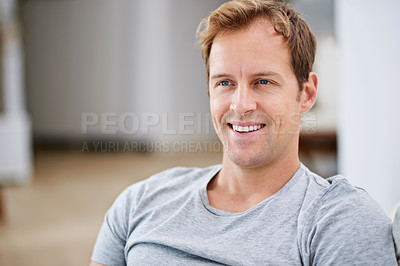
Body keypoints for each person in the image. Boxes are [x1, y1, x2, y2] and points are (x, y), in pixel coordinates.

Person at [90, 0, 397, 265]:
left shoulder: (339, 220)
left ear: (307, 93)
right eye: (225, 83)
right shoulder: (140, 201)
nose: (241, 104)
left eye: (263, 81)